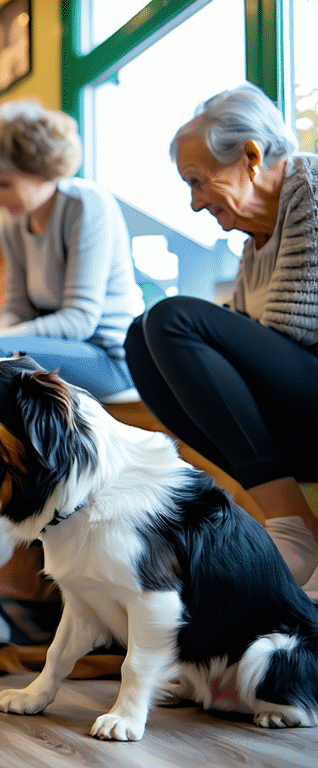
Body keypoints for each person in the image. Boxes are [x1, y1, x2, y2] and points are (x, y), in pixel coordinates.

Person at [0, 99, 143, 601]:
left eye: (3, 183)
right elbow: (15, 308)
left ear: (41, 171)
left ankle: (22, 552)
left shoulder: (87, 205)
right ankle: (6, 513)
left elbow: (80, 318)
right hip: (62, 351)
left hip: (107, 356)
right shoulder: (14, 224)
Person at [127, 82, 318, 597]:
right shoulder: (256, 235)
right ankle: (291, 527)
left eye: (198, 182)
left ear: (251, 157)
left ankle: (296, 531)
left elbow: (292, 332)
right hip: (298, 414)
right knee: (140, 339)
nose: (193, 204)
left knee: (170, 320)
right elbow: (245, 339)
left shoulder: (312, 189)